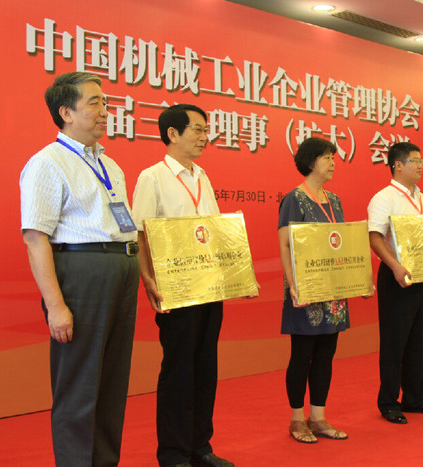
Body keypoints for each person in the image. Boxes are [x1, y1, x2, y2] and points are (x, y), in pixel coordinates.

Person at [20, 72, 140, 466]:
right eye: (94, 102)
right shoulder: (47, 163)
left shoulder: (111, 165)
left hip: (121, 268)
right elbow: (35, 238)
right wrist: (56, 305)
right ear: (66, 112)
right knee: (78, 385)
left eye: (105, 102)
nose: (105, 111)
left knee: (111, 382)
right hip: (81, 273)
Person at [131, 104, 234, 467]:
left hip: (210, 287)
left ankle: (200, 447)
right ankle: (174, 454)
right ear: (172, 134)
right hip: (175, 291)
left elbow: (214, 232)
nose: (205, 137)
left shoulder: (203, 177)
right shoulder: (152, 177)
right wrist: (147, 279)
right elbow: (140, 234)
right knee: (179, 371)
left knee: (205, 368)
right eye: (197, 129)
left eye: (206, 130)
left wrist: (234, 277)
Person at [278, 137, 350, 443]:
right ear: (310, 162)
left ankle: (318, 417)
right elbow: (285, 244)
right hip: (305, 291)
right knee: (302, 355)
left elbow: (343, 243)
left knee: (325, 355)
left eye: (333, 157)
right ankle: (297, 419)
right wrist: (293, 284)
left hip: (333, 292)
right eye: (326, 157)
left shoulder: (334, 200)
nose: (332, 163)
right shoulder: (294, 199)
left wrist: (354, 280)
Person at [368, 142, 423, 424]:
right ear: (398, 165)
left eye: (421, 160)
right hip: (395, 276)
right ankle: (388, 402)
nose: (421, 165)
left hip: (422, 276)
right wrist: (396, 266)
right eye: (415, 161)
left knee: (418, 340)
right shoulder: (384, 198)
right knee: (394, 342)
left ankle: (414, 398)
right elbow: (375, 237)